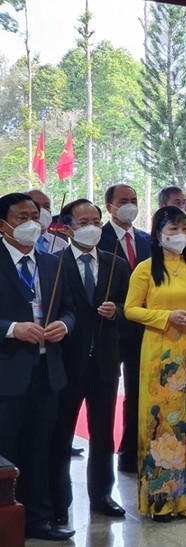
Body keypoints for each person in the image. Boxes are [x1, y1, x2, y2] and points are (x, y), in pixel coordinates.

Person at [124, 206, 186, 521]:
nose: (180, 235)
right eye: (173, 229)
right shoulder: (145, 269)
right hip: (159, 351)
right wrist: (167, 316)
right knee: (161, 422)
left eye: (184, 228)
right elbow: (131, 309)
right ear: (159, 233)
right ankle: (160, 500)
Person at [0, 192, 76, 541]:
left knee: (40, 448)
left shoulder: (51, 261)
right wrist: (13, 329)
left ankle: (39, 520)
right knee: (6, 451)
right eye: (21, 217)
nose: (31, 222)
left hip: (47, 372)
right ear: (3, 225)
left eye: (35, 214)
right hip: (7, 373)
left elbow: (69, 309)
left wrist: (64, 324)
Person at [49, 199, 130, 525]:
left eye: (96, 221)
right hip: (67, 362)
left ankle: (101, 494)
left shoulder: (116, 264)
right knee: (61, 433)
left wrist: (118, 312)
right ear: (68, 228)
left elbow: (131, 308)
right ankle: (58, 497)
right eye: (84, 222)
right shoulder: (53, 264)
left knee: (103, 433)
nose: (92, 227)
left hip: (106, 363)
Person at [98, 183, 152, 473]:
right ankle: (103, 466)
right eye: (123, 201)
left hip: (141, 328)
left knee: (138, 395)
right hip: (106, 327)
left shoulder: (146, 240)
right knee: (104, 398)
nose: (130, 205)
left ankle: (131, 453)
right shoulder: (98, 238)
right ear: (110, 207)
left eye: (133, 200)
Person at [26, 188, 69, 253]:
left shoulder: (62, 245)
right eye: (36, 205)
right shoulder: (16, 243)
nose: (42, 210)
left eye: (47, 206)